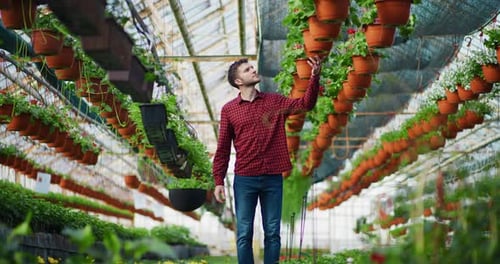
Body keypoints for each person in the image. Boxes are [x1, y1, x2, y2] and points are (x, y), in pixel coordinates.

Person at [212, 56, 322, 264]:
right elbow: (223, 148)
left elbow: (305, 104)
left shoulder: (275, 101)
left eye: (252, 67)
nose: (253, 70)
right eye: (247, 70)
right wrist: (218, 180)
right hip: (244, 179)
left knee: (273, 232)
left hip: (272, 177)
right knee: (244, 232)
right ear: (238, 82)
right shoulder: (229, 110)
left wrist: (314, 77)